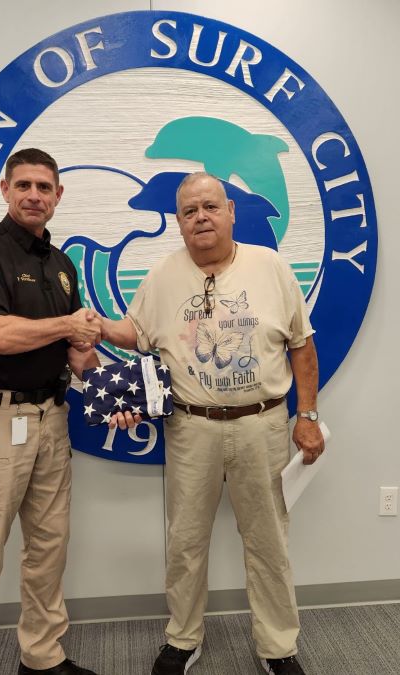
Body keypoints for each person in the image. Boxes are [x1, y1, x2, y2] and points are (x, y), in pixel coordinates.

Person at [99, 172, 325, 675]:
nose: (200, 217)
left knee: (268, 541)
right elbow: (134, 334)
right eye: (188, 211)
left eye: (210, 207)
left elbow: (302, 346)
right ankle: (182, 639)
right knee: (185, 540)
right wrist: (90, 325)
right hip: (191, 427)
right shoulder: (161, 275)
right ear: (177, 222)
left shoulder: (270, 267)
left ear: (231, 212)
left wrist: (307, 415)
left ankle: (278, 648)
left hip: (261, 424)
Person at [0, 148, 102, 675]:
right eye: (25, 185)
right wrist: (67, 326)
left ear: (58, 196)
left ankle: (42, 656)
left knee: (49, 548)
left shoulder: (61, 265)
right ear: (6, 189)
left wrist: (121, 393)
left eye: (45, 187)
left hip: (52, 420)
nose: (35, 195)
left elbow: (78, 354)